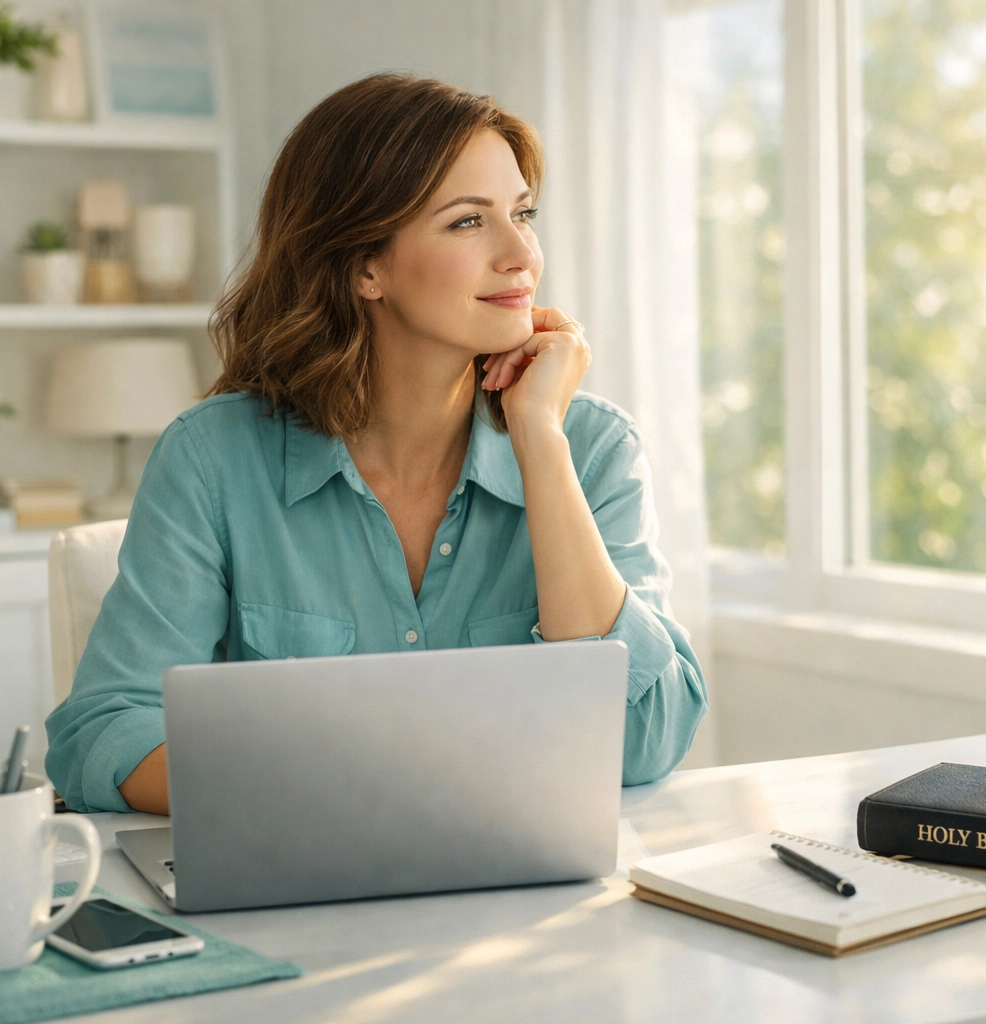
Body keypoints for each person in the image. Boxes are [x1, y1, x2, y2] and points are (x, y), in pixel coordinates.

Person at [45, 74, 708, 814]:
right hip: (291, 890)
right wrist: (342, 792)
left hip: (525, 907)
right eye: (467, 222)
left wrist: (540, 439)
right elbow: (106, 731)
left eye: (523, 214)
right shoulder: (213, 460)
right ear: (366, 266)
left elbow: (645, 738)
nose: (522, 253)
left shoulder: (591, 448)